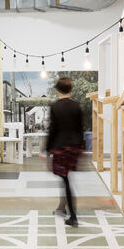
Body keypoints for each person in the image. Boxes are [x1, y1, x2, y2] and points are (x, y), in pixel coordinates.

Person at [46, 77, 83, 227]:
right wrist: (82, 147)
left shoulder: (55, 107)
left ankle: (73, 216)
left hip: (60, 148)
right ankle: (61, 207)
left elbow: (53, 130)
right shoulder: (77, 106)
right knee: (65, 178)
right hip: (74, 147)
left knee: (65, 180)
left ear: (57, 89)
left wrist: (47, 150)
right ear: (70, 89)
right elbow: (81, 129)